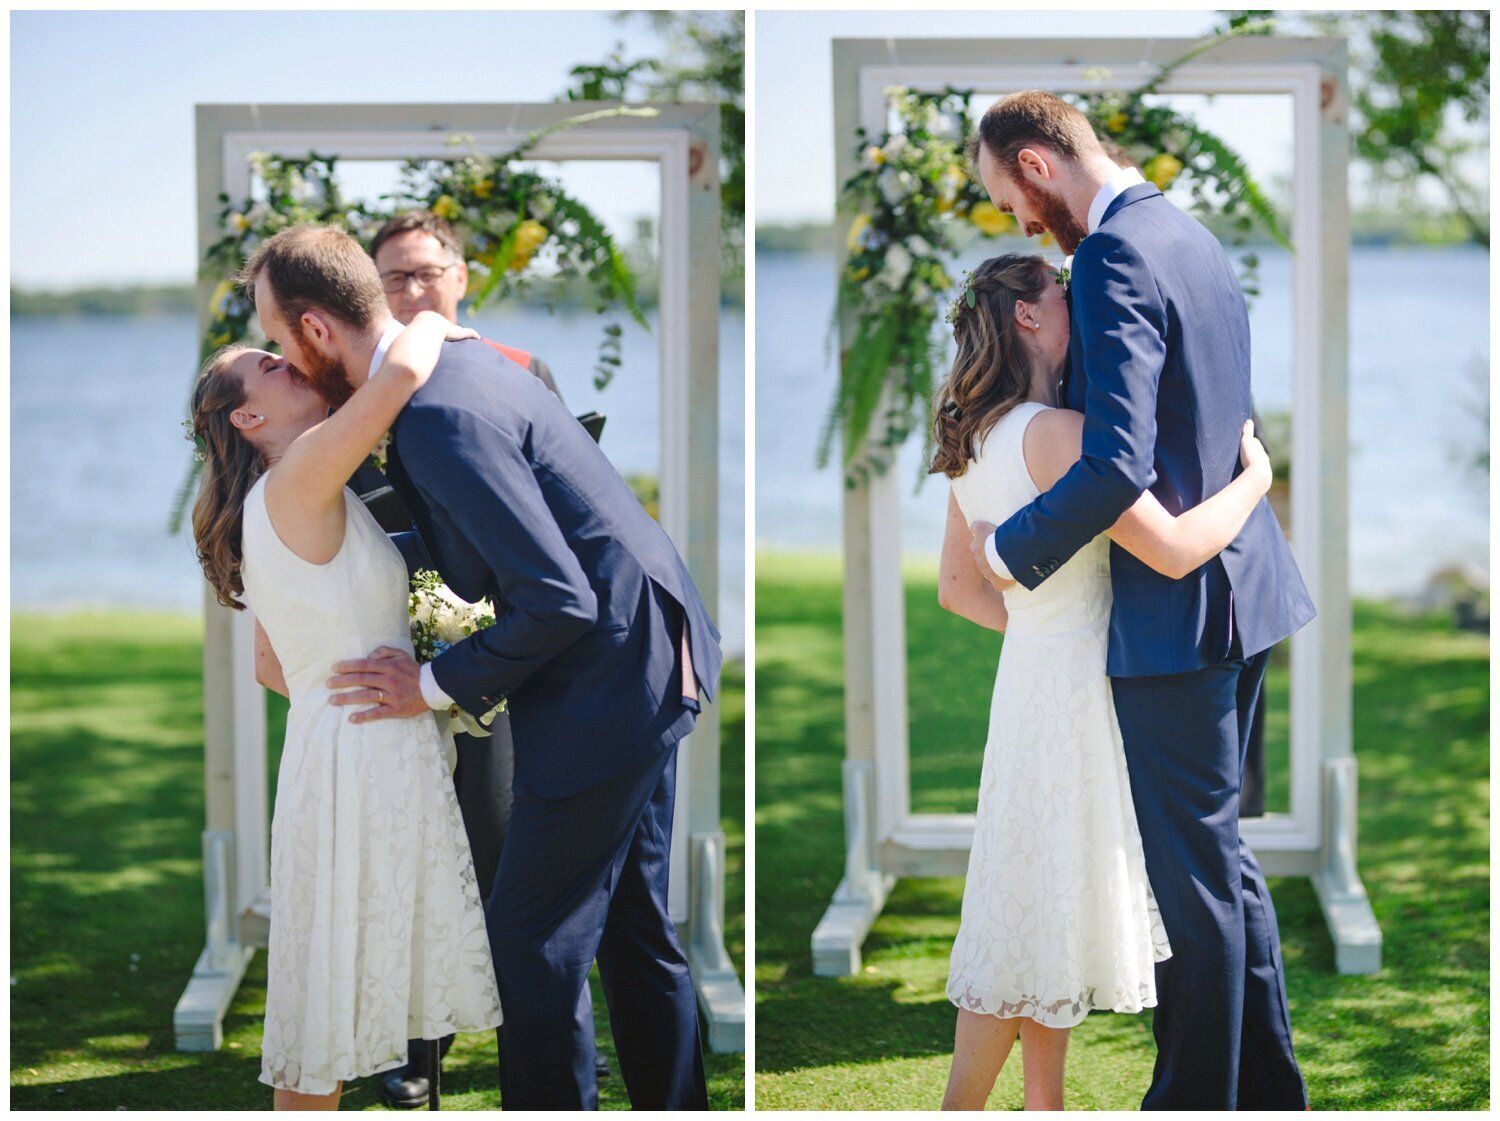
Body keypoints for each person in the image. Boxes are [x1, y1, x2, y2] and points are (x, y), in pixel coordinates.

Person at [243, 224, 721, 1110]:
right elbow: (484, 549)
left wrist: (427, 684)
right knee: (633, 932)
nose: (284, 358)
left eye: (277, 339)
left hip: (608, 679)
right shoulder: (447, 368)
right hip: (651, 647)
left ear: (314, 327)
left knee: (528, 947)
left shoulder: (436, 412)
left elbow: (558, 599)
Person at [967, 91, 1316, 1110]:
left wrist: (1008, 549)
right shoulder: (1188, 234)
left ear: (1036, 164)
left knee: (1194, 883)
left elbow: (1118, 465)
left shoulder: (1114, 254)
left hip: (1176, 619)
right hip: (1244, 593)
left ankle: (1193, 1098)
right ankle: (1267, 1094)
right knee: (1225, 866)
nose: (1021, 225)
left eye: (1008, 199)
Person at [932, 253, 1276, 1109]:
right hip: (1082, 696)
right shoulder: (1060, 434)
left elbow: (957, 587)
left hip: (1029, 686)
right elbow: (1174, 546)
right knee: (1028, 915)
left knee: (1037, 904)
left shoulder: (975, 436)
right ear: (1027, 317)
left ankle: (1044, 1105)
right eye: (1060, 291)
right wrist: (1256, 483)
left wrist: (1043, 633)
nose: (1077, 302)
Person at [188, 309, 502, 1109]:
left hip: (348, 747)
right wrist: (430, 317)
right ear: (248, 418)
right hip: (363, 756)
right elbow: (399, 376)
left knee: (325, 994)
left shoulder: (289, 487)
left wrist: (361, 703)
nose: (298, 361)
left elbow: (271, 662)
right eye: (276, 366)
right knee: (320, 1015)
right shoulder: (300, 473)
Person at [360, 208, 610, 1108]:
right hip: (400, 639)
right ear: (369, 292)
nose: (414, 290)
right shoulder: (366, 387)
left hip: (507, 650)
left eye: (427, 272)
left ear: (462, 276)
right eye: (393, 278)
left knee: (509, 847)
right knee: (420, 852)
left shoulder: (520, 372)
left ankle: (546, 1035)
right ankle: (419, 1053)